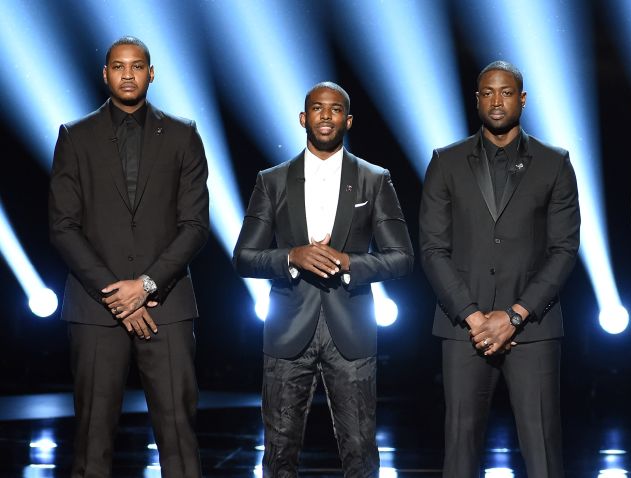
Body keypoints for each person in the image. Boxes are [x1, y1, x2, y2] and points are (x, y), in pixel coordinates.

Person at [233, 82, 414, 477]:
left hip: (351, 327)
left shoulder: (374, 179)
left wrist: (350, 262)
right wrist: (292, 257)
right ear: (304, 117)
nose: (326, 116)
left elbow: (402, 258)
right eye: (317, 108)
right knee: (279, 452)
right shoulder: (273, 180)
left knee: (360, 452)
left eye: (335, 110)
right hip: (287, 327)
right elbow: (244, 257)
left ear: (348, 120)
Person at [48, 36, 209, 477]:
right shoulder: (75, 136)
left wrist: (147, 286)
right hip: (95, 309)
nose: (127, 74)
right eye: (118, 66)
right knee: (92, 440)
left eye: (137, 66)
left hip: (167, 306)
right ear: (105, 74)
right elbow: (63, 226)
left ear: (151, 73)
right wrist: (116, 295)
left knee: (178, 436)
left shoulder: (183, 134)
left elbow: (195, 225)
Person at [420, 60, 580, 477]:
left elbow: (564, 249)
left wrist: (514, 315)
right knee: (459, 451)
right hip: (462, 328)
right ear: (477, 99)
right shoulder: (446, 161)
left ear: (522, 99)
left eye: (506, 92)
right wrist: (475, 317)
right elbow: (433, 249)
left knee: (543, 449)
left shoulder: (554, 162)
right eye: (488, 92)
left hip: (533, 328)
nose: (497, 100)